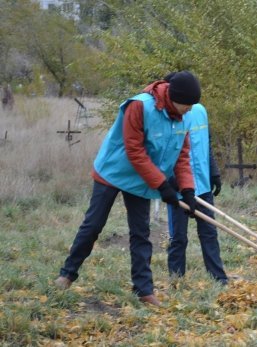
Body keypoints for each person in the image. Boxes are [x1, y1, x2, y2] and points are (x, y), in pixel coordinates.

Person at [54, 71, 201, 306]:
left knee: (141, 232)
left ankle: (144, 290)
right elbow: (134, 151)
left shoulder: (182, 117)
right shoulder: (140, 106)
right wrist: (162, 185)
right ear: (174, 97)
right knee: (93, 225)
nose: (190, 109)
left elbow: (182, 156)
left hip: (142, 179)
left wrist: (188, 191)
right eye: (187, 104)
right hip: (113, 172)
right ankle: (67, 274)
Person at [164, 73, 227, 285]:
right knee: (178, 237)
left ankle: (219, 279)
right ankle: (176, 280)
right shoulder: (169, 116)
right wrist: (170, 181)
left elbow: (206, 143)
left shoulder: (200, 111)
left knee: (209, 233)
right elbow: (166, 153)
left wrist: (214, 172)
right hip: (178, 188)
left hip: (202, 184)